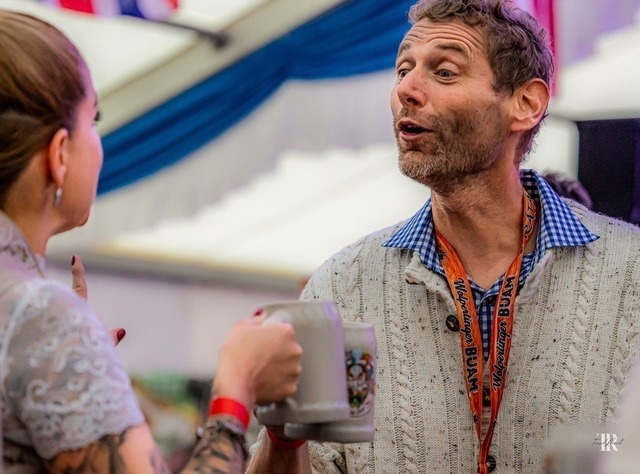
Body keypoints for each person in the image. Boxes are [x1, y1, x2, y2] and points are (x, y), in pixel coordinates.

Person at [247, 0, 640, 473]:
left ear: (526, 104)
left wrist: (603, 448)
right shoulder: (342, 287)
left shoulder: (630, 273)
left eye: (445, 72)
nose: (406, 89)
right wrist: (283, 437)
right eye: (403, 70)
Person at [0, 9, 302, 473]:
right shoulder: (39, 314)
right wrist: (235, 392)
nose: (98, 141)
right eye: (93, 119)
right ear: (59, 155)